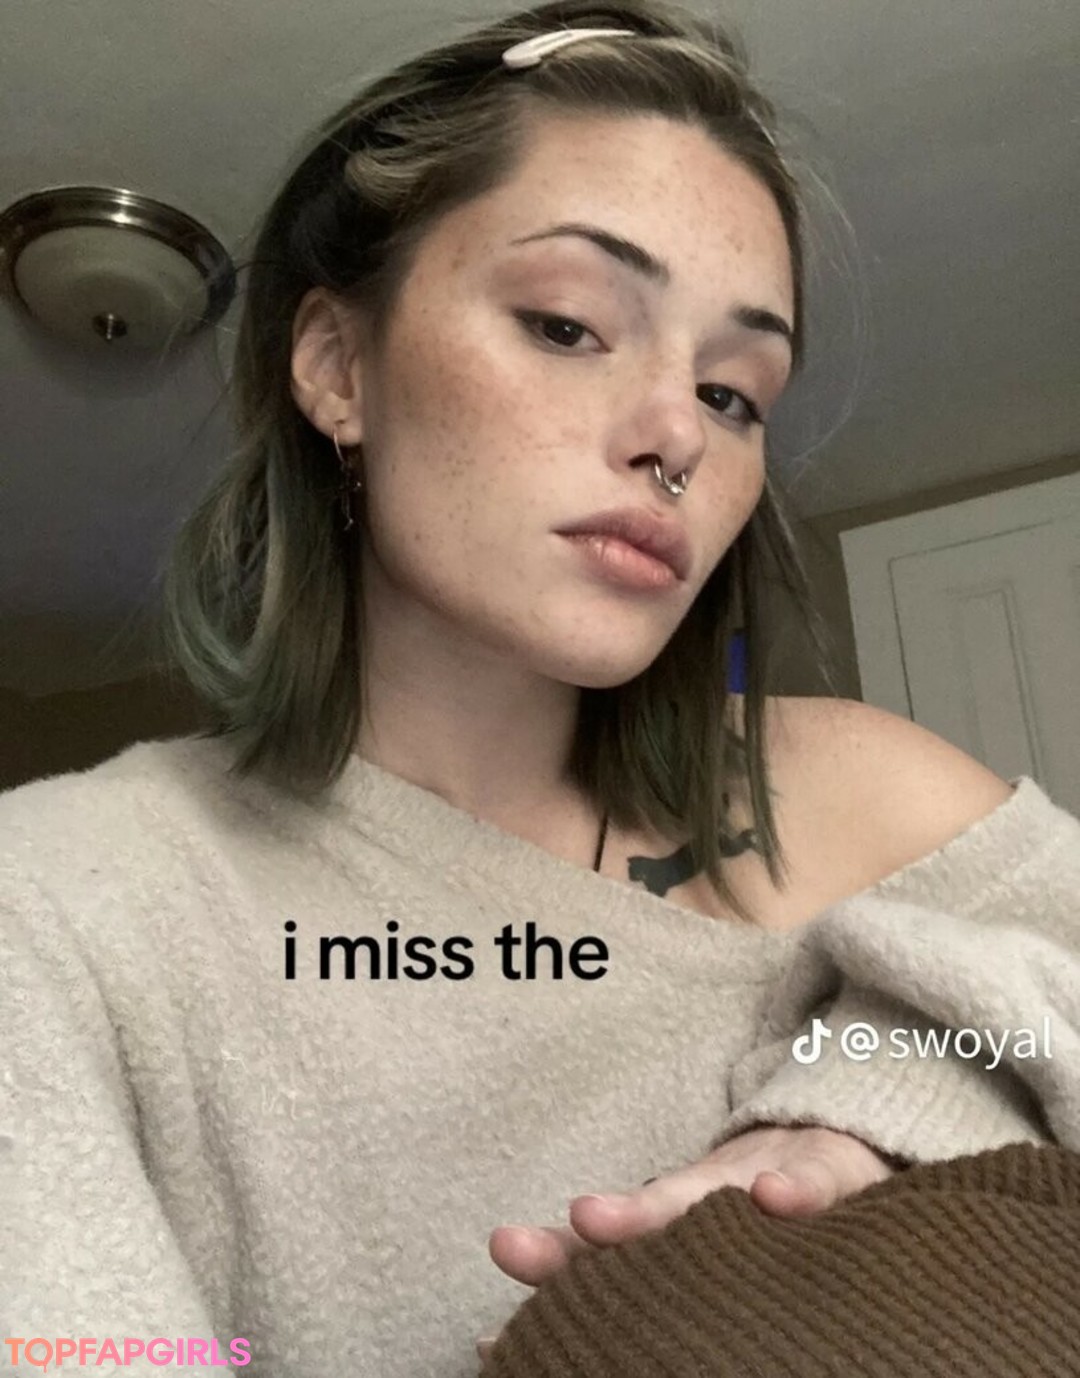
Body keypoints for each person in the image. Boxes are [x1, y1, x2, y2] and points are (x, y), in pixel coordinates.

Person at [4, 3, 1079, 1376]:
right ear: (337, 366)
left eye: (735, 392)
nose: (677, 434)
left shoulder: (861, 790)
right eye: (568, 325)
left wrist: (873, 1099)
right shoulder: (57, 907)